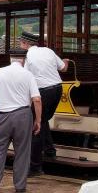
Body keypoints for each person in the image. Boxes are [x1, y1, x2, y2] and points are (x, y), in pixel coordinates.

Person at [0, 49, 41, 193]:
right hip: (23, 115)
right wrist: (38, 120)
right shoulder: (28, 75)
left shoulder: (0, 72)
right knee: (22, 151)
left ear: (11, 59)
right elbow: (37, 99)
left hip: (1, 116)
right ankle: (20, 186)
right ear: (23, 60)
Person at [20, 31, 69, 176]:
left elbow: (25, 77)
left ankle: (35, 167)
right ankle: (49, 151)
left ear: (25, 43)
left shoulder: (27, 56)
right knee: (44, 119)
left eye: (20, 43)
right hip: (57, 89)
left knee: (36, 126)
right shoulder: (48, 51)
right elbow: (63, 68)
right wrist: (65, 61)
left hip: (43, 92)